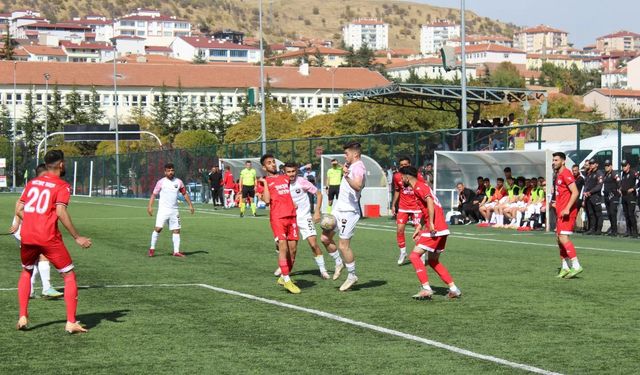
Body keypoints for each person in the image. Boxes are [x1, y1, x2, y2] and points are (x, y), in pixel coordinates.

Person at [13, 150, 92, 333]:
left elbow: (19, 208)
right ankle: (71, 322)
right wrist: (77, 237)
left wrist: (32, 219)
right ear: (62, 164)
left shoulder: (32, 183)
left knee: (26, 271)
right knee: (69, 275)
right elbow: (61, 212)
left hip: (28, 235)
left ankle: (23, 315)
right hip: (48, 237)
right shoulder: (61, 186)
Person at [398, 166, 461, 300]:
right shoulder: (419, 188)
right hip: (441, 228)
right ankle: (454, 289)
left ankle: (426, 288)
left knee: (414, 256)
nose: (400, 179)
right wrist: (419, 227)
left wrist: (431, 223)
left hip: (435, 228)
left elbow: (430, 202)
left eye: (402, 176)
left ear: (407, 177)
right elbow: (425, 209)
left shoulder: (419, 187)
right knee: (433, 261)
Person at [9, 163, 64, 299]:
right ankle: (46, 288)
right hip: (28, 228)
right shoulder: (37, 185)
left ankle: (31, 290)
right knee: (42, 255)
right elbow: (19, 206)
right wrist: (17, 223)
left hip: (31, 228)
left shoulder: (37, 185)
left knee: (34, 259)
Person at [321, 142, 366, 291]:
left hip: (349, 212)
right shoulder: (351, 166)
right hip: (339, 209)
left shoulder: (359, 166)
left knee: (343, 245)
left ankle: (352, 275)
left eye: (347, 154)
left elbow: (358, 185)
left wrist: (346, 175)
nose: (345, 156)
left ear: (355, 154)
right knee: (325, 238)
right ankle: (338, 262)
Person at [283, 163, 338, 280]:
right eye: (289, 172)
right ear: (284, 172)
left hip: (304, 217)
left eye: (293, 171)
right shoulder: (282, 184)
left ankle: (323, 270)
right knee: (290, 249)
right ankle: (284, 268)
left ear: (296, 171)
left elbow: (318, 194)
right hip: (289, 219)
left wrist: (317, 211)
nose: (291, 174)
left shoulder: (302, 181)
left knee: (313, 244)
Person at [260, 156, 301, 294]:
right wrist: (265, 183)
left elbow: (285, 193)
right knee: (283, 246)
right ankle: (287, 280)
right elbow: (266, 200)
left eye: (273, 162)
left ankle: (284, 276)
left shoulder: (285, 178)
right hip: (277, 217)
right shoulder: (263, 182)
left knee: (293, 250)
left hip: (291, 216)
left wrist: (291, 203)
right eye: (269, 163)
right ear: (264, 168)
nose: (272, 165)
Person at [147, 163, 195, 257]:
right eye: (168, 171)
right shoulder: (161, 182)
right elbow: (154, 194)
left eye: (172, 170)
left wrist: (190, 205)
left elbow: (184, 193)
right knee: (158, 228)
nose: (170, 172)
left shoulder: (179, 182)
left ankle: (176, 251)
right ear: (165, 172)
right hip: (163, 210)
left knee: (176, 230)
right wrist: (150, 206)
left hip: (174, 210)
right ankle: (152, 248)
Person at [551, 152, 582, 279]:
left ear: (563, 161)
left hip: (567, 212)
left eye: (556, 160)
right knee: (558, 238)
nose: (554, 162)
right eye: (553, 160)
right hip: (560, 212)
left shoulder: (566, 174)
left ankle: (576, 265)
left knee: (563, 237)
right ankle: (565, 266)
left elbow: (575, 192)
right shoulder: (558, 175)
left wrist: (567, 208)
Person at [391, 156, 424, 265]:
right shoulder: (396, 176)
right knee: (400, 229)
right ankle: (403, 252)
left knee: (418, 232)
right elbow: (397, 190)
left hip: (416, 207)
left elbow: (424, 189)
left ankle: (421, 254)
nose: (404, 167)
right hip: (403, 207)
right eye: (402, 165)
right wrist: (393, 204)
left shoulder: (418, 176)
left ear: (410, 164)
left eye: (406, 164)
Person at [583, 159, 604, 235]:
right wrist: (585, 193)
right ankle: (592, 228)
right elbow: (587, 185)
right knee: (591, 214)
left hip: (595, 196)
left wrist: (590, 192)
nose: (591, 165)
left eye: (593, 163)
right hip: (589, 196)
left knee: (598, 213)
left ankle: (598, 230)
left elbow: (599, 186)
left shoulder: (599, 173)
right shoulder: (590, 173)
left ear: (596, 164)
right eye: (590, 163)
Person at [619, 160, 638, 238]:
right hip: (624, 196)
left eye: (625, 165)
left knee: (631, 214)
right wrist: (620, 188)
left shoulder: (633, 173)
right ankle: (628, 231)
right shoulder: (623, 174)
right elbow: (622, 183)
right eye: (622, 166)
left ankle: (635, 232)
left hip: (631, 196)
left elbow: (638, 182)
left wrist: (633, 189)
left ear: (628, 165)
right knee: (626, 214)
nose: (623, 167)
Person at [602, 160, 621, 236]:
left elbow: (619, 181)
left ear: (611, 166)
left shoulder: (614, 173)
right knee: (609, 213)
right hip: (607, 196)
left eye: (608, 165)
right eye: (605, 165)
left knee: (613, 213)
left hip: (613, 196)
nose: (606, 167)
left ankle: (615, 230)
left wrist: (619, 189)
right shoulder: (605, 174)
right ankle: (612, 229)